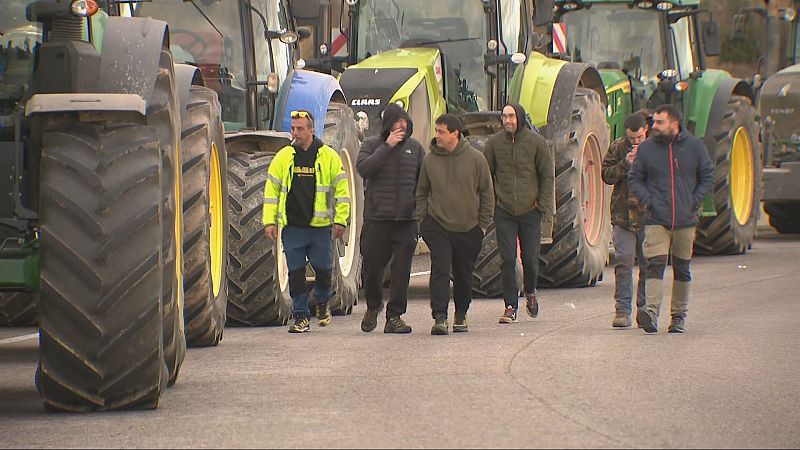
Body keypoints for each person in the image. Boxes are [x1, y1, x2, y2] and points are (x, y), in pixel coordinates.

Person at [262, 110, 350, 333]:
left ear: (312, 130)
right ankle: (301, 316)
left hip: (320, 229)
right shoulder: (283, 157)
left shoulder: (329, 156)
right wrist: (269, 222)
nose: (295, 133)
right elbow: (271, 191)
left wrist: (341, 220)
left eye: (300, 129)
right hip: (293, 228)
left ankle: (321, 301)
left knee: (323, 271)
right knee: (295, 273)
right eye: (293, 128)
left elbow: (342, 190)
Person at [628, 104, 714, 334]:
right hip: (656, 219)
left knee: (682, 268)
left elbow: (707, 175)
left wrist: (694, 201)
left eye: (659, 122)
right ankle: (652, 312)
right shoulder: (646, 149)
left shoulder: (694, 147)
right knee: (654, 265)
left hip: (686, 221)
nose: (653, 126)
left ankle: (678, 317)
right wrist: (648, 201)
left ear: (674, 124)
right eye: (653, 122)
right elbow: (634, 178)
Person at [416, 114, 494, 335]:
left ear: (455, 134)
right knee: (440, 270)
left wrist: (483, 225)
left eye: (441, 131)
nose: (437, 135)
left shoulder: (476, 159)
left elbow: (487, 192)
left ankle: (461, 314)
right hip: (438, 225)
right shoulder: (429, 160)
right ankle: (439, 317)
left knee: (463, 273)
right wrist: (423, 220)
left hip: (469, 227)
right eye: (436, 131)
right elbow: (421, 191)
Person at [482, 104, 554, 324]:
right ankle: (510, 306)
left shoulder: (536, 143)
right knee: (507, 260)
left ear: (520, 118)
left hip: (531, 210)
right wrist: (493, 203)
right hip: (504, 210)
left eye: (511, 116)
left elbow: (547, 176)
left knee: (531, 261)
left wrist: (543, 206)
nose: (507, 121)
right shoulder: (494, 144)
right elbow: (485, 175)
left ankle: (530, 291)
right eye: (504, 117)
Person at [356, 104, 425, 334]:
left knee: (401, 270)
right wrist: (387, 147)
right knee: (373, 268)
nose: (402, 126)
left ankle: (395, 316)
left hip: (405, 220)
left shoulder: (415, 149)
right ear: (389, 125)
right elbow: (364, 169)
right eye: (398, 122)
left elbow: (422, 182)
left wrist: (419, 211)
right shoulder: (371, 145)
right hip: (377, 218)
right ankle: (373, 306)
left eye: (405, 122)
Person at [602, 112, 649, 328]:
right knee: (623, 261)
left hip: (649, 216)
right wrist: (625, 164)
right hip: (622, 216)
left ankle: (645, 309)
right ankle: (622, 310)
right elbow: (606, 175)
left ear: (646, 130)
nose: (636, 142)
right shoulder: (618, 147)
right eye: (632, 138)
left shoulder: (656, 149)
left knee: (648, 263)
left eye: (639, 138)